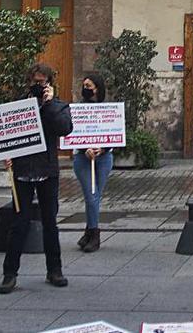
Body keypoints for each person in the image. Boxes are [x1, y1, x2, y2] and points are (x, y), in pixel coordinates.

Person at [0, 64, 74, 294]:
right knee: (18, 224)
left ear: (50, 84)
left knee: (50, 222)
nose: (38, 86)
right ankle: (9, 274)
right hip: (22, 170)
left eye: (43, 82)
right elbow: (5, 133)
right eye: (35, 82)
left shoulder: (58, 106)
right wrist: (6, 154)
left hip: (47, 170)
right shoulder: (19, 106)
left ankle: (55, 270)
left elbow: (65, 128)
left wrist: (48, 104)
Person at [74, 74, 114, 253]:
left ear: (97, 88)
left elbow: (116, 134)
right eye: (84, 85)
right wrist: (85, 149)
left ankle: (89, 232)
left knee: (95, 195)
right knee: (91, 194)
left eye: (89, 85)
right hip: (83, 158)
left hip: (104, 158)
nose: (86, 88)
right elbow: (72, 133)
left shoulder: (108, 109)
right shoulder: (78, 109)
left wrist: (103, 148)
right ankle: (94, 233)